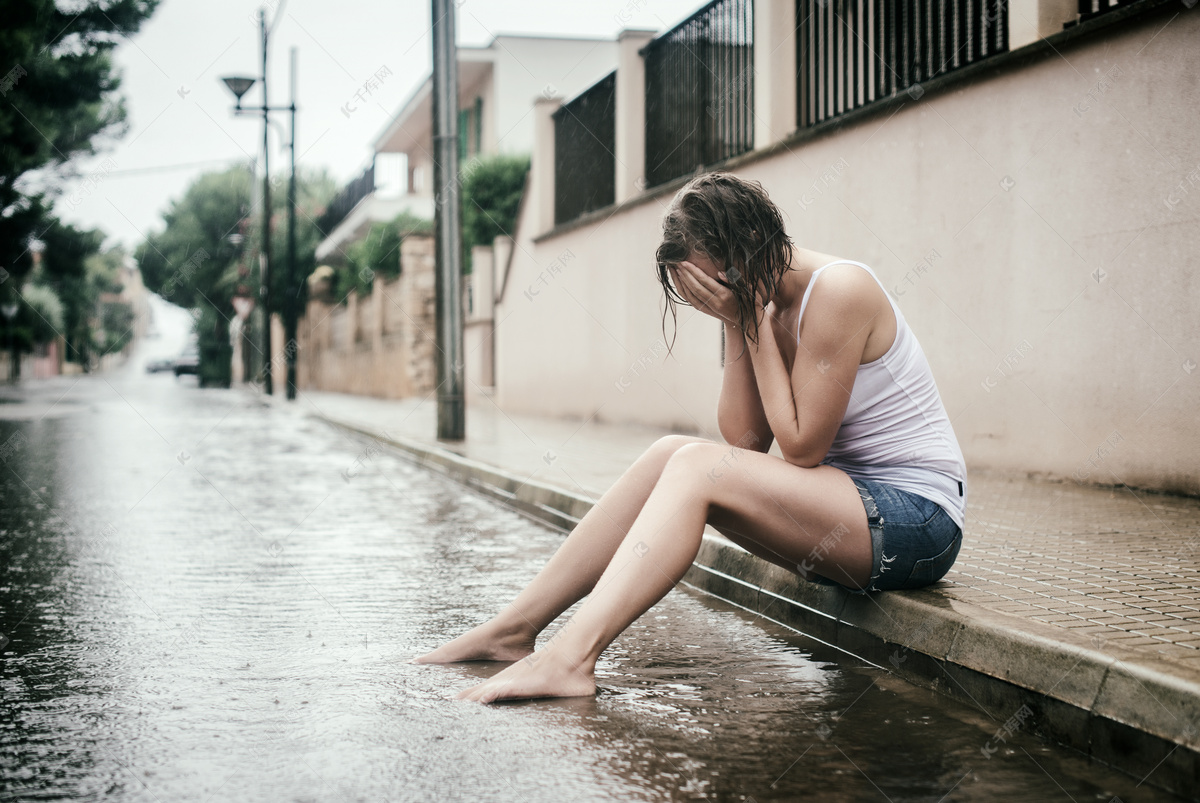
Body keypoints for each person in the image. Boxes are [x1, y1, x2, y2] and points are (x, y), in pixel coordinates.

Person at [415, 172, 967, 703]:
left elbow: (800, 448)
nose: (712, 299)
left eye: (713, 286)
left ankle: (570, 660)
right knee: (672, 454)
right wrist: (737, 321)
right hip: (850, 509)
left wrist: (748, 316)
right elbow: (746, 443)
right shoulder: (761, 302)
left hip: (917, 521)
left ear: (748, 246)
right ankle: (515, 628)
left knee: (695, 465)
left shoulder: (839, 292)